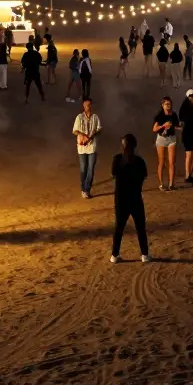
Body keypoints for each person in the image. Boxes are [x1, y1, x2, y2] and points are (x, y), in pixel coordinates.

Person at [110, 134, 150, 264]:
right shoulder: (139, 161)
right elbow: (144, 177)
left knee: (119, 228)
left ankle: (114, 255)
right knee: (140, 227)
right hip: (135, 197)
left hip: (121, 198)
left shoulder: (117, 160)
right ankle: (144, 254)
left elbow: (113, 174)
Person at [72, 98, 102, 199]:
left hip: (92, 146)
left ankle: (86, 189)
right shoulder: (79, 117)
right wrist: (83, 135)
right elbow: (74, 131)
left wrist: (93, 135)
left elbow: (100, 129)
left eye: (89, 105)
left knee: (91, 169)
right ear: (83, 106)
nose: (88, 107)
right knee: (83, 169)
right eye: (86, 105)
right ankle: (83, 187)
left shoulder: (95, 117)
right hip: (81, 147)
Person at [152, 96, 180, 191]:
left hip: (171, 138)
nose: (168, 106)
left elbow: (178, 127)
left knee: (172, 162)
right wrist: (163, 126)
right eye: (166, 104)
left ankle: (171, 184)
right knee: (161, 162)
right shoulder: (159, 115)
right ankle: (161, 184)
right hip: (161, 139)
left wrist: (174, 127)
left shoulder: (174, 115)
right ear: (162, 105)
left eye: (169, 104)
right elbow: (154, 129)